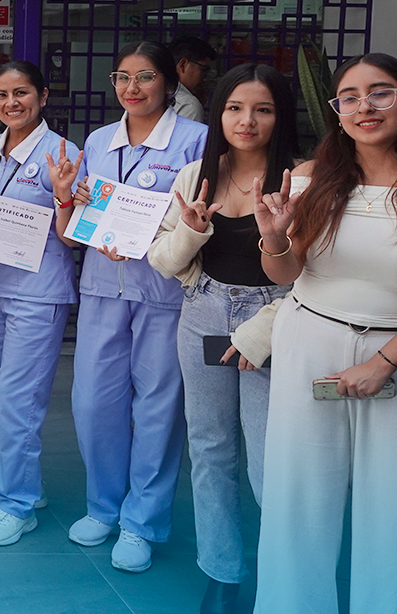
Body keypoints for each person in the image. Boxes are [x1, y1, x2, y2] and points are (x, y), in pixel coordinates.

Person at [246, 53, 397, 614]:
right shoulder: (314, 177)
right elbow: (286, 272)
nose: (365, 107)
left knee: (389, 501)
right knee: (299, 494)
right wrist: (274, 237)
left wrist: (384, 361)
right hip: (310, 341)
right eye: (349, 97)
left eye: (381, 92)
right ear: (335, 110)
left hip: (390, 353)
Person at [149, 63, 298, 614]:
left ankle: (287, 573)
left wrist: (261, 332)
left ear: (281, 117)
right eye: (235, 108)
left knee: (268, 458)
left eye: (263, 109)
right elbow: (163, 261)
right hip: (203, 312)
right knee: (210, 449)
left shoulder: (301, 181)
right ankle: (222, 571)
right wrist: (191, 229)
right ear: (219, 113)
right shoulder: (197, 175)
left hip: (275, 320)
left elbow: (314, 278)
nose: (247, 121)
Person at [57, 40, 207, 574]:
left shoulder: (195, 140)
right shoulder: (99, 141)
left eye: (145, 77)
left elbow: (201, 218)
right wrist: (70, 201)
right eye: (122, 77)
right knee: (93, 402)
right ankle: (103, 506)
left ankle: (141, 521)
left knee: (158, 408)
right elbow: (75, 225)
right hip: (103, 285)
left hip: (164, 291)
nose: (132, 88)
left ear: (169, 82)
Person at [0, 61, 79, 547]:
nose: (11, 103)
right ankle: (21, 478)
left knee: (19, 397)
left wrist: (64, 196)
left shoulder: (64, 154)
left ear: (43, 96)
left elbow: (73, 235)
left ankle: (18, 503)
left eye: (22, 93)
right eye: (2, 95)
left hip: (38, 290)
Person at [170, 35, 218, 123]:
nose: (205, 79)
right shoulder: (189, 105)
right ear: (183, 65)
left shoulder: (154, 93)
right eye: (203, 70)